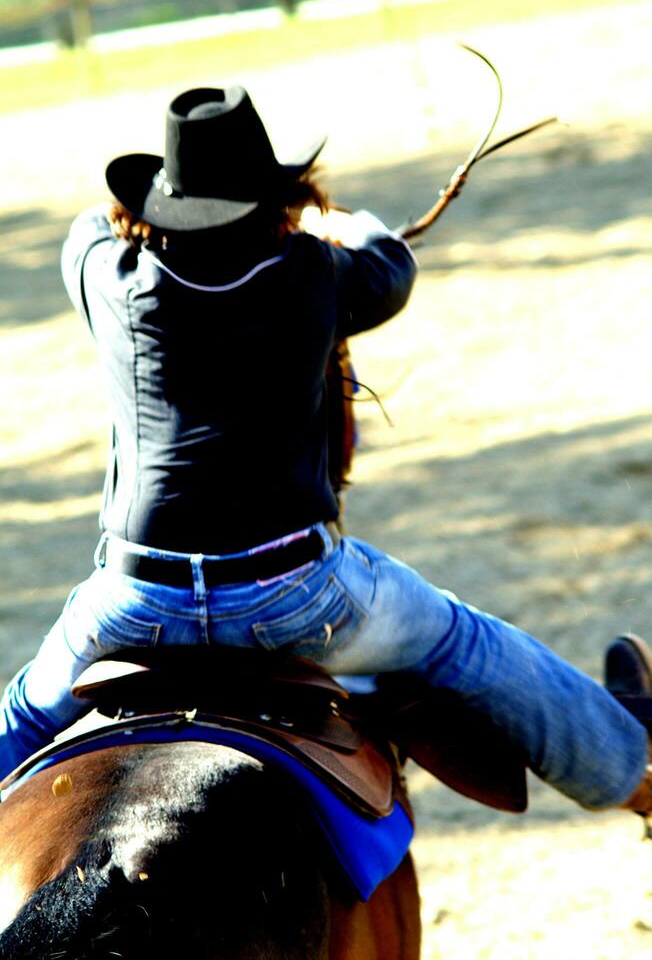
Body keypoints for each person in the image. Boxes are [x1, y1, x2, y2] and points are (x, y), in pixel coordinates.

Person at [1, 85, 651, 820]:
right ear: (272, 202)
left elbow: (87, 227)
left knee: (22, 714)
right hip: (295, 596)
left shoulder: (108, 277)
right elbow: (389, 265)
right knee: (463, 641)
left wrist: (149, 212)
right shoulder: (311, 273)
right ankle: (629, 769)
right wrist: (336, 218)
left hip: (135, 600)